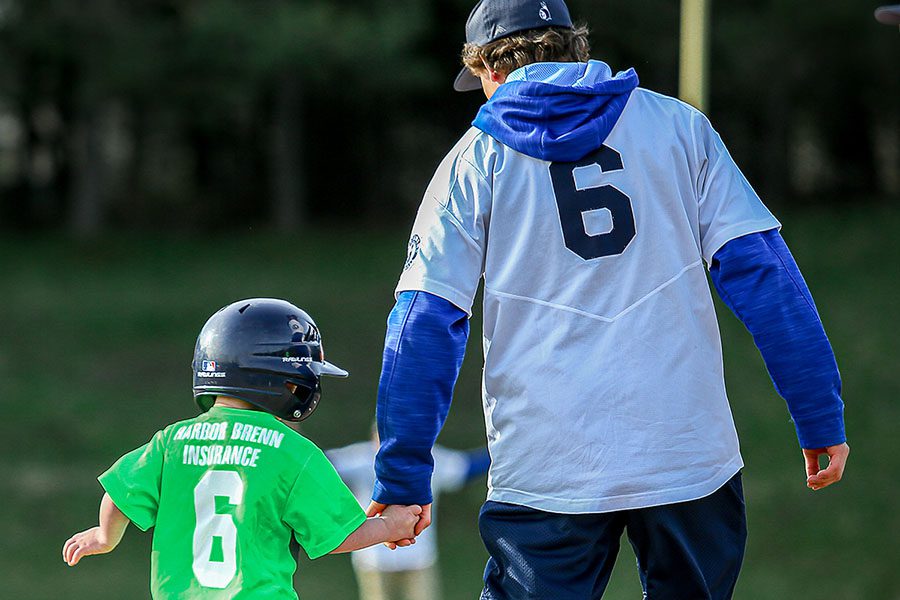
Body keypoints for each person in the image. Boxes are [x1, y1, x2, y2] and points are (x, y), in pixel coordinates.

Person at [366, 1, 850, 598]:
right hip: (686, 456)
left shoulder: (472, 162)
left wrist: (404, 472)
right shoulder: (679, 126)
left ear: (488, 70)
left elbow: (423, 325)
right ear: (576, 46)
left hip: (547, 467)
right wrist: (818, 411)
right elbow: (766, 276)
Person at [62, 298, 422, 599]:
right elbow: (339, 535)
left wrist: (103, 536)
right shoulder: (293, 452)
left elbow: (120, 494)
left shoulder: (170, 441)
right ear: (277, 378)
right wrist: (391, 524)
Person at [328, 425, 490, 600]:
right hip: (374, 559)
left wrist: (501, 448)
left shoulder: (429, 459)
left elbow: (467, 468)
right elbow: (321, 465)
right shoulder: (361, 460)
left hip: (418, 558)